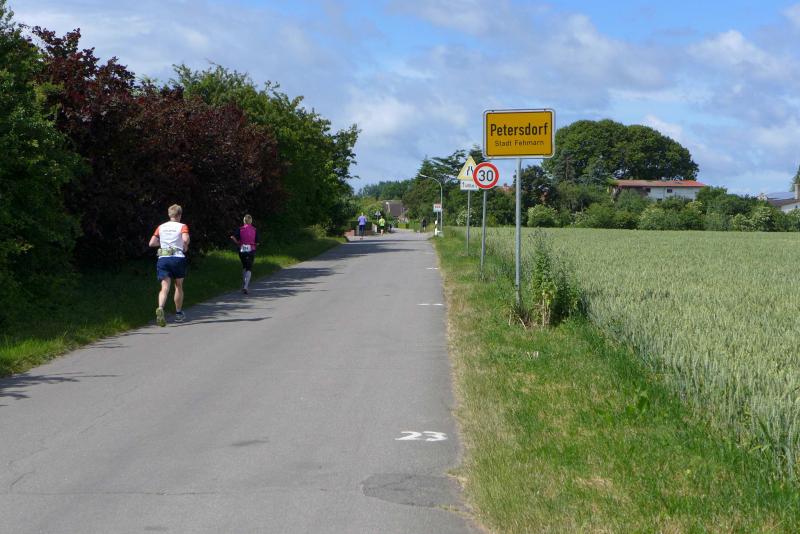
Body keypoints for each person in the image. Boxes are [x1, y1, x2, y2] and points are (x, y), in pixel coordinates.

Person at [149, 204, 190, 327]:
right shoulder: (182, 226)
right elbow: (186, 239)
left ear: (169, 214)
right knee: (178, 286)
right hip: (177, 258)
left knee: (164, 287)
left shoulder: (161, 227)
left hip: (163, 258)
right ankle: (178, 313)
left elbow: (152, 243)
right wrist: (184, 245)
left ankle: (160, 307)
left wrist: (163, 243)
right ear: (180, 215)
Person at [230, 214, 259, 294]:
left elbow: (232, 237)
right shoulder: (254, 229)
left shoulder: (240, 229)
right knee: (249, 267)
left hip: (242, 249)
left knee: (244, 266)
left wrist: (238, 243)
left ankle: (244, 284)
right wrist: (254, 244)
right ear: (251, 221)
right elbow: (257, 242)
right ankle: (246, 286)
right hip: (251, 249)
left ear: (244, 221)